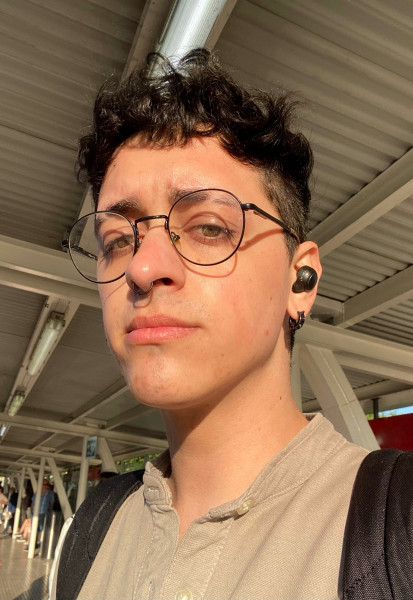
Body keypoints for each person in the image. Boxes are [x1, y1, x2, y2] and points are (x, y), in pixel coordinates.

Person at [55, 50, 369, 599]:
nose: (143, 268)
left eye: (208, 228)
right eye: (118, 240)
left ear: (300, 280)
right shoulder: (89, 534)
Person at [29, 478, 54, 548]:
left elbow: (52, 502)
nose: (45, 485)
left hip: (43, 513)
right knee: (34, 528)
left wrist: (49, 511)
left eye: (46, 484)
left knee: (41, 528)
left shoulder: (50, 493)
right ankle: (32, 543)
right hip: (35, 513)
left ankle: (41, 543)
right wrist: (31, 509)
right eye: (44, 484)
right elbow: (33, 501)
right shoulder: (37, 492)